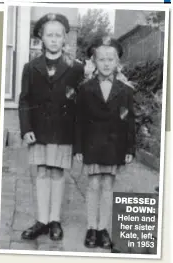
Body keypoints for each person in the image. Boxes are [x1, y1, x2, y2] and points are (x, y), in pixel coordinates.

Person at [19, 13, 84, 241]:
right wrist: (26, 127)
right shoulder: (31, 67)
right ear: (41, 38)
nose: (54, 39)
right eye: (50, 35)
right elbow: (25, 99)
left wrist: (78, 138)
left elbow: (79, 104)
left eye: (59, 35)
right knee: (42, 172)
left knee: (57, 172)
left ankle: (55, 219)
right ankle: (42, 220)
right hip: (38, 130)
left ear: (64, 38)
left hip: (62, 131)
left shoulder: (76, 68)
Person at [74, 36, 136, 249]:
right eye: (101, 59)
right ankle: (91, 227)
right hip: (92, 144)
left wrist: (129, 148)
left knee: (108, 186)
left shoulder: (126, 90)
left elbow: (130, 121)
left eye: (111, 59)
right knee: (92, 185)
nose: (107, 63)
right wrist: (78, 147)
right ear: (94, 61)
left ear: (117, 62)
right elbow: (79, 120)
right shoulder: (85, 88)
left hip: (113, 146)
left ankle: (103, 228)